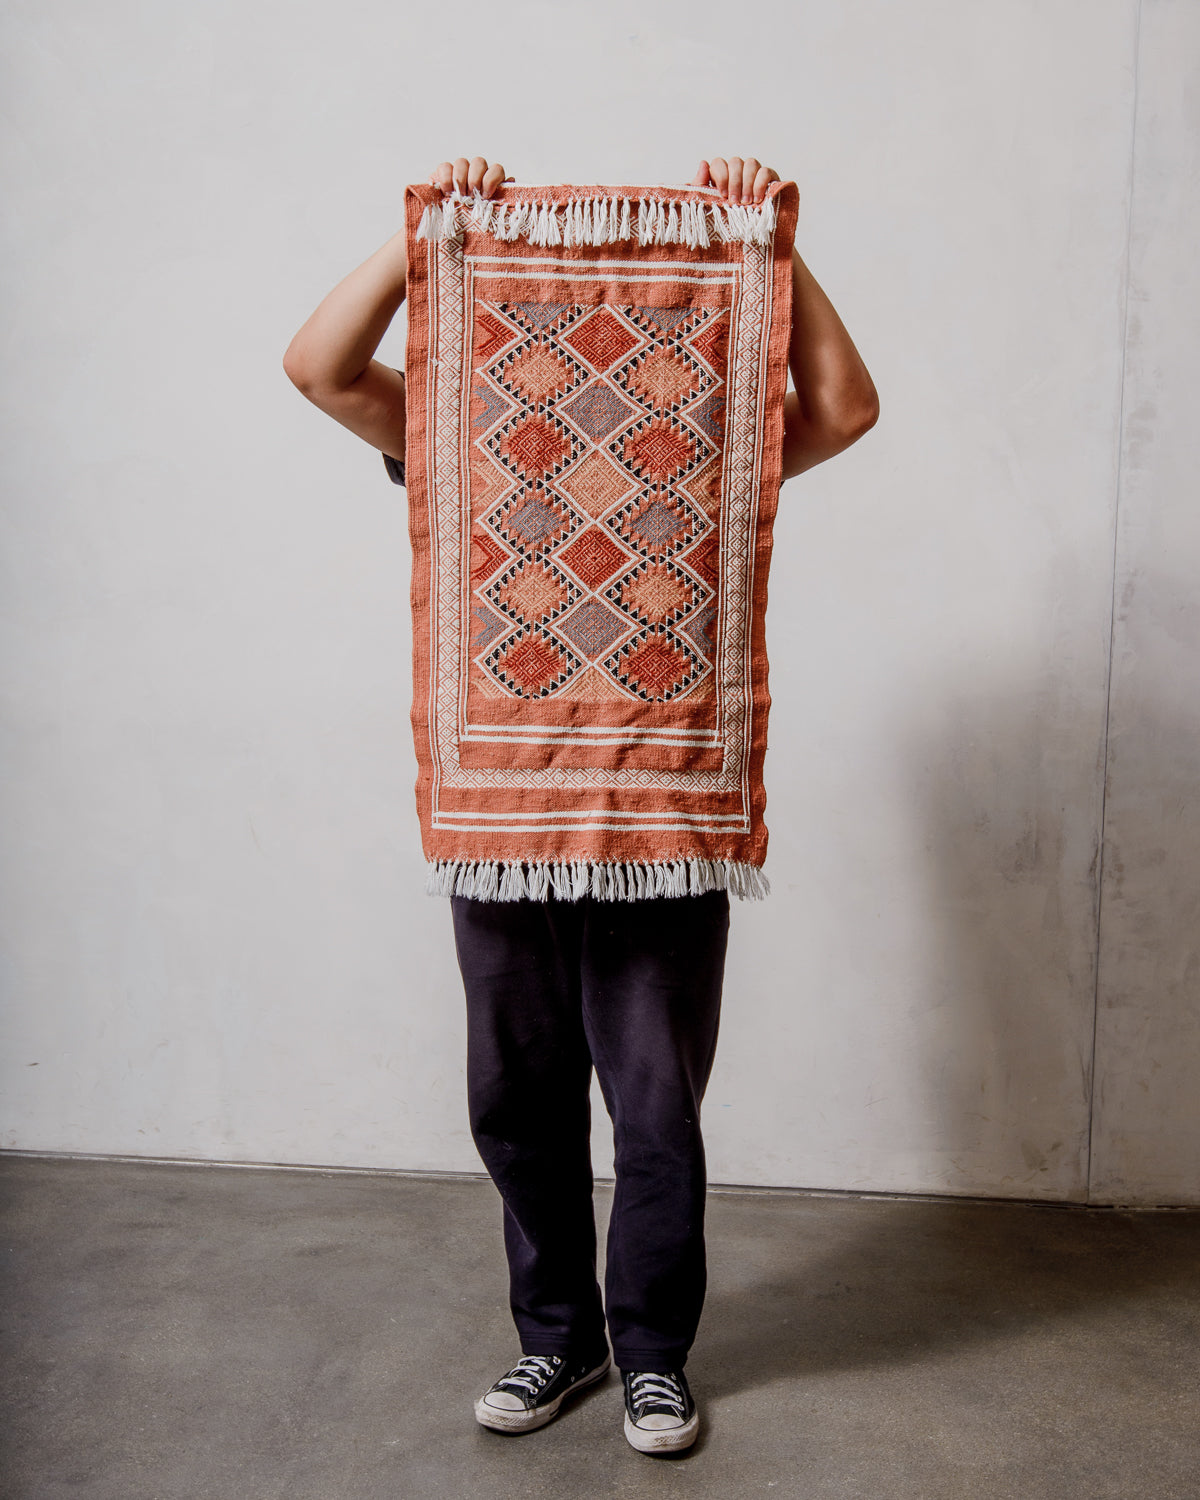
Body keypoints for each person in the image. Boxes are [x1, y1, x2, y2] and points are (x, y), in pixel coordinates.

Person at [283, 154, 878, 1456]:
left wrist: (768, 249)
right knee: (517, 1097)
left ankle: (654, 1356)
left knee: (654, 1106)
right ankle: (556, 1338)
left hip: (658, 827)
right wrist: (422, 240)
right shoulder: (463, 435)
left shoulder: (700, 438)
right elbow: (318, 367)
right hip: (503, 827)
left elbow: (845, 406)